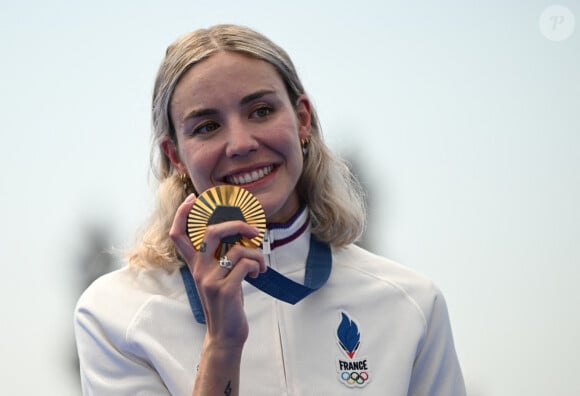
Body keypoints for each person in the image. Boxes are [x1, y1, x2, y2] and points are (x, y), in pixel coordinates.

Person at [74, 24, 466, 395]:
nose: (241, 143)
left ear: (302, 120)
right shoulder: (116, 314)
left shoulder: (410, 304)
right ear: (175, 155)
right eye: (207, 126)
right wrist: (222, 345)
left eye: (260, 111)